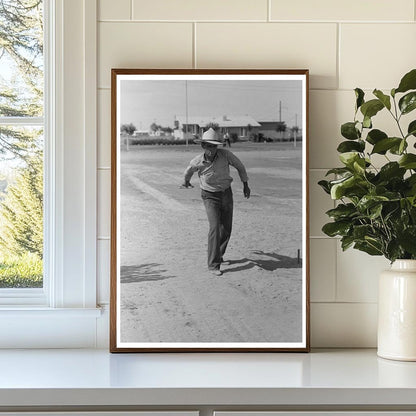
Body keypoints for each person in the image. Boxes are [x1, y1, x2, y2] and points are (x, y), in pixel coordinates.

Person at [180, 128, 250, 276]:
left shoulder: (226, 155)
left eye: (214, 146)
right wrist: (186, 182)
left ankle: (219, 254)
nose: (211, 149)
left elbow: (240, 166)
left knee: (226, 227)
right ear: (203, 146)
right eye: (208, 145)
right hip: (209, 196)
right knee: (214, 227)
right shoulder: (197, 160)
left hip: (226, 193)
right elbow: (188, 172)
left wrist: (245, 184)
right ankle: (213, 265)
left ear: (217, 146)